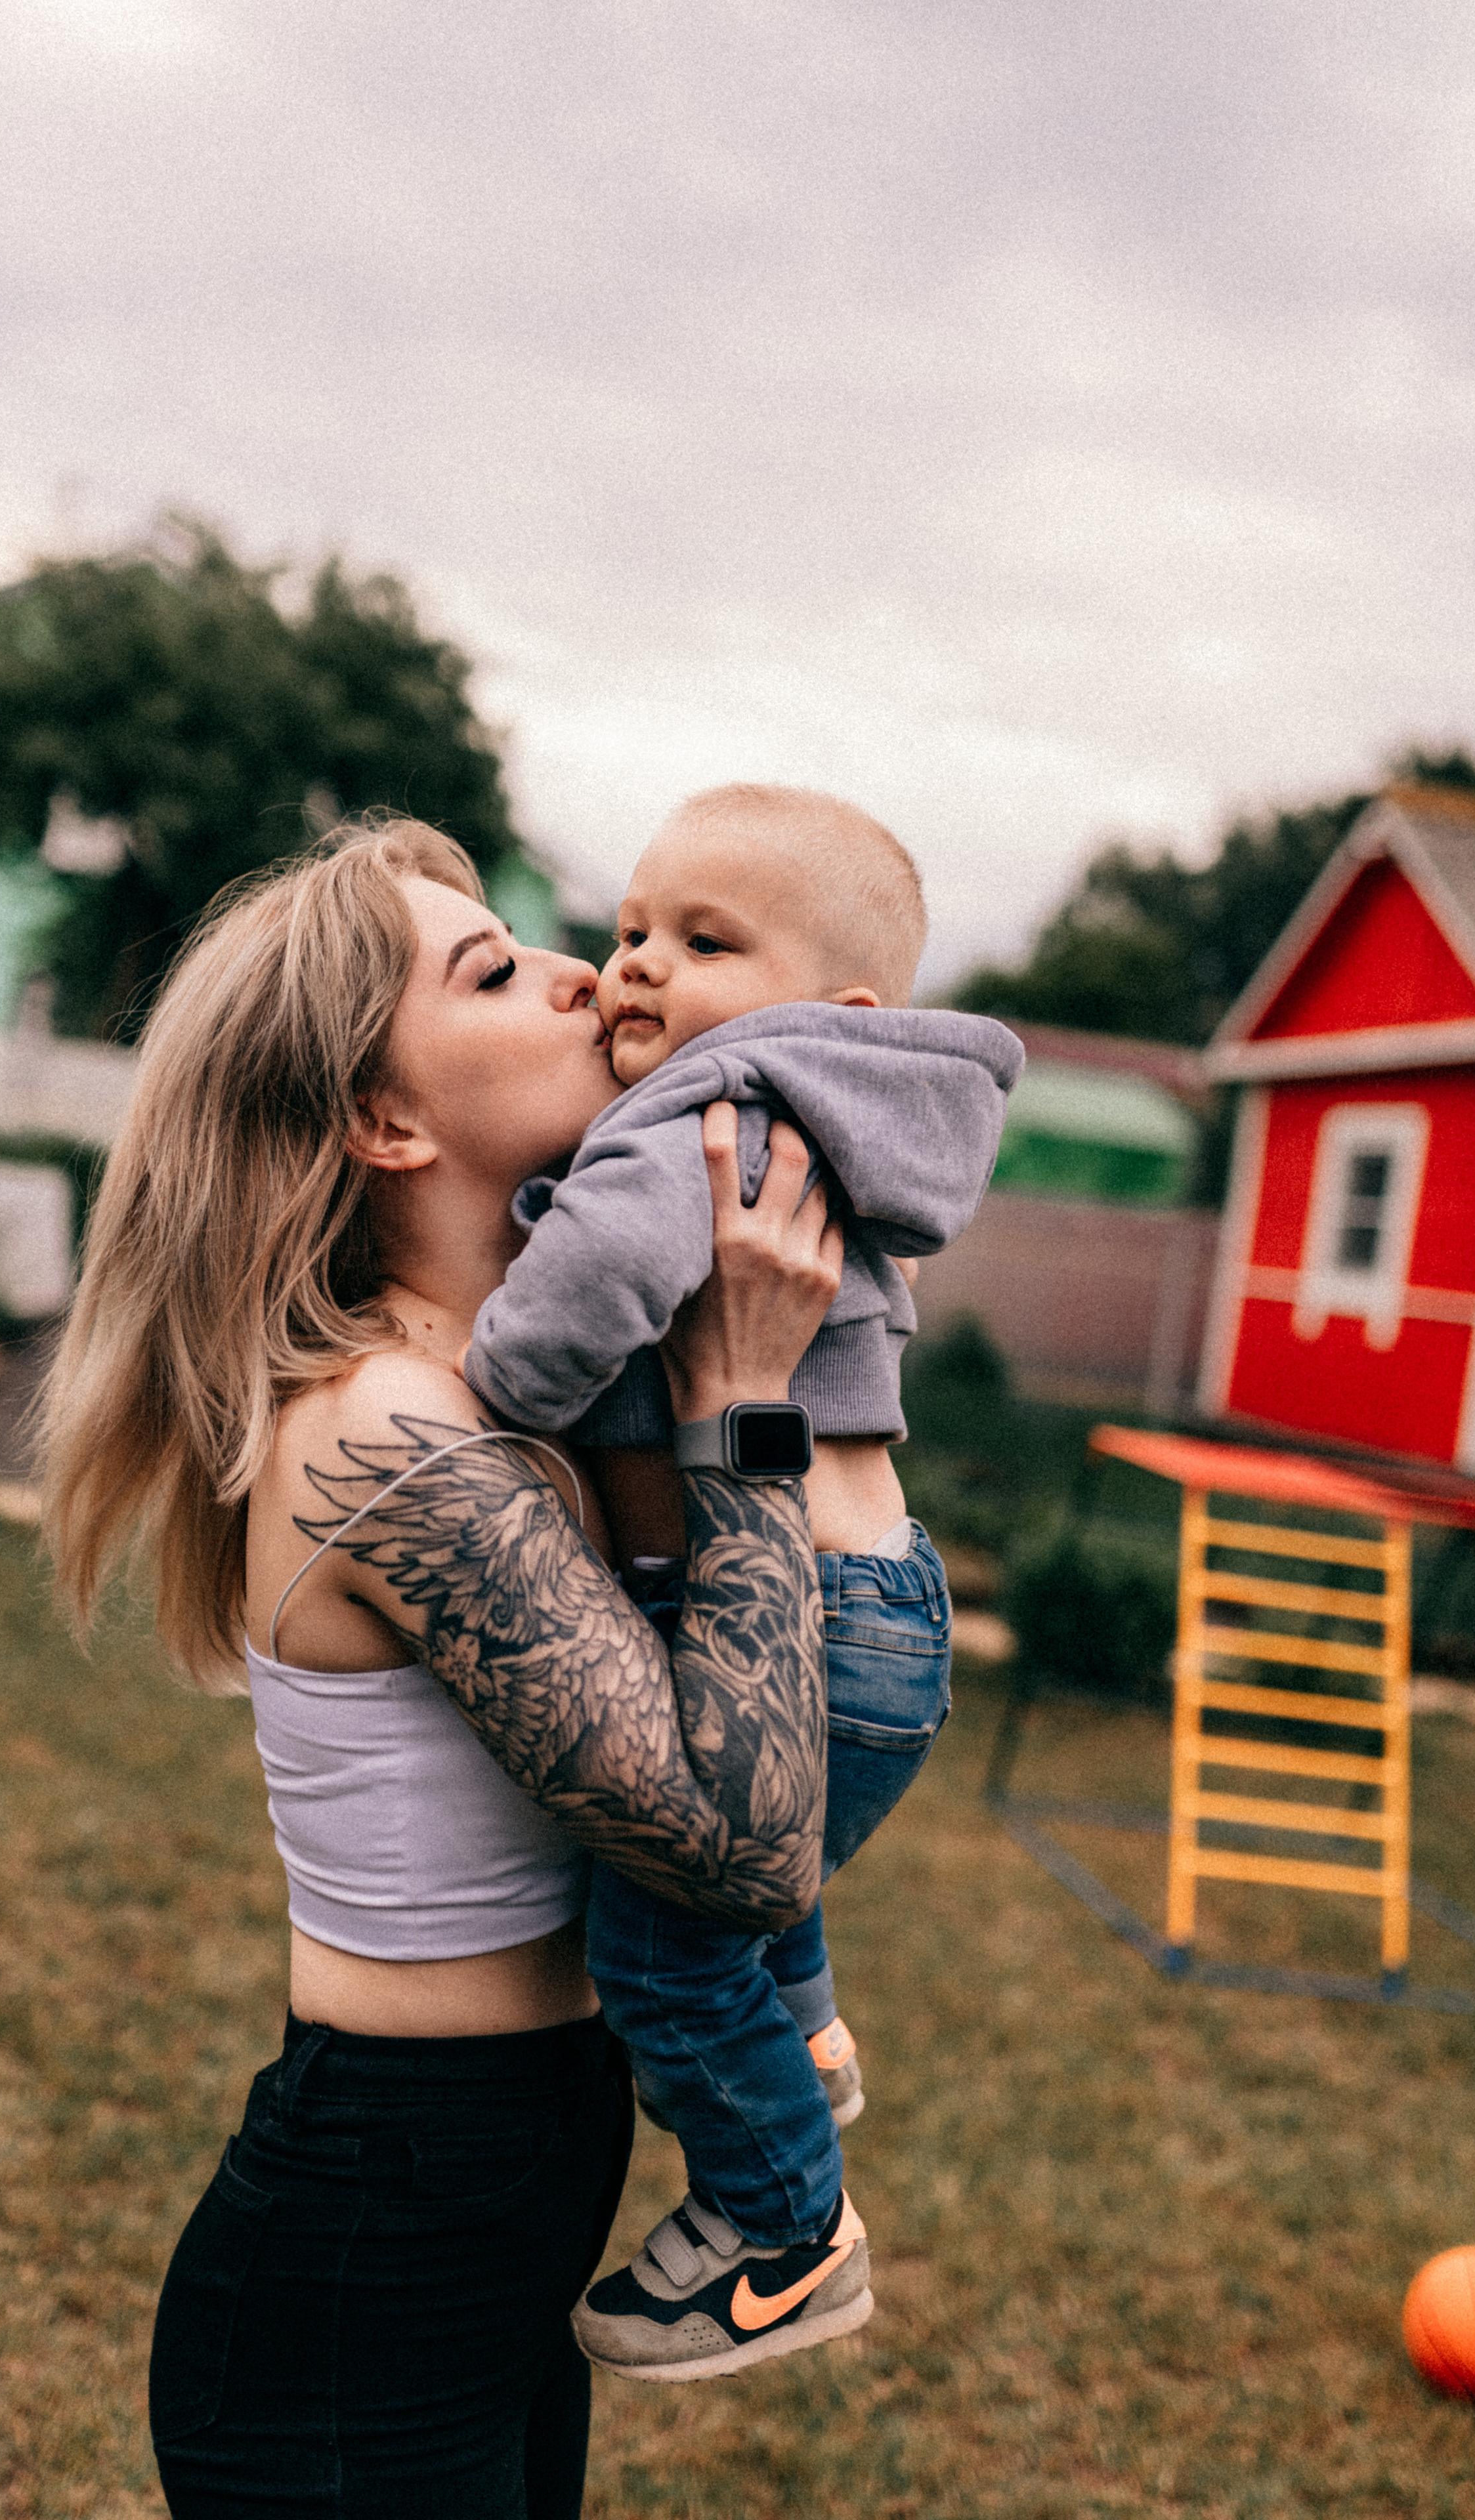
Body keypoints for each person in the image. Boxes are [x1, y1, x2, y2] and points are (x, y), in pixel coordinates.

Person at [39, 816, 854, 2520]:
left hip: (503, 2203)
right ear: (384, 1120)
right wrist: (754, 1413)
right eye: (491, 970)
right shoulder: (386, 1430)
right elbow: (743, 1844)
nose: (583, 975)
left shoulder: (515, 1396)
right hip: (374, 2256)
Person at [463, 784, 1021, 2380]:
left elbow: (598, 1280)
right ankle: (813, 2033)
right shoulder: (828, 1115)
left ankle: (785, 2226)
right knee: (753, 1877)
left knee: (659, 1951)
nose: (636, 966)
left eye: (703, 941)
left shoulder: (710, 1107)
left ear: (829, 1008)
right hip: (879, 1596)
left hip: (817, 1613)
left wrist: (500, 1372)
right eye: (632, 924)